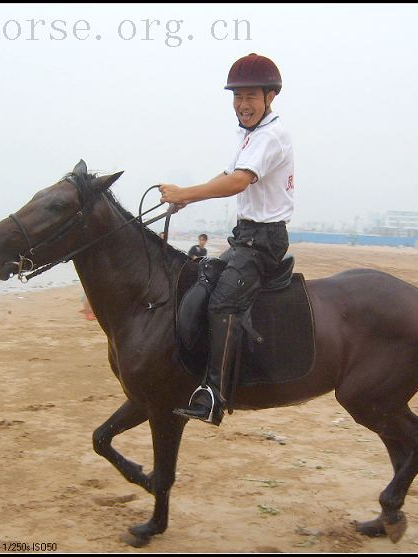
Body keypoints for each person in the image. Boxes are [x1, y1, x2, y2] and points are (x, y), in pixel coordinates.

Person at [159, 53, 294, 426]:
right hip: (245, 237)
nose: (243, 104)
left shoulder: (271, 135)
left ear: (270, 97)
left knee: (224, 303)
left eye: (250, 96)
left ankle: (215, 395)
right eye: (237, 97)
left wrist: (187, 191)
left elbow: (237, 181)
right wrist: (186, 196)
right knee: (202, 280)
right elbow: (228, 172)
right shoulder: (249, 136)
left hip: (263, 241)